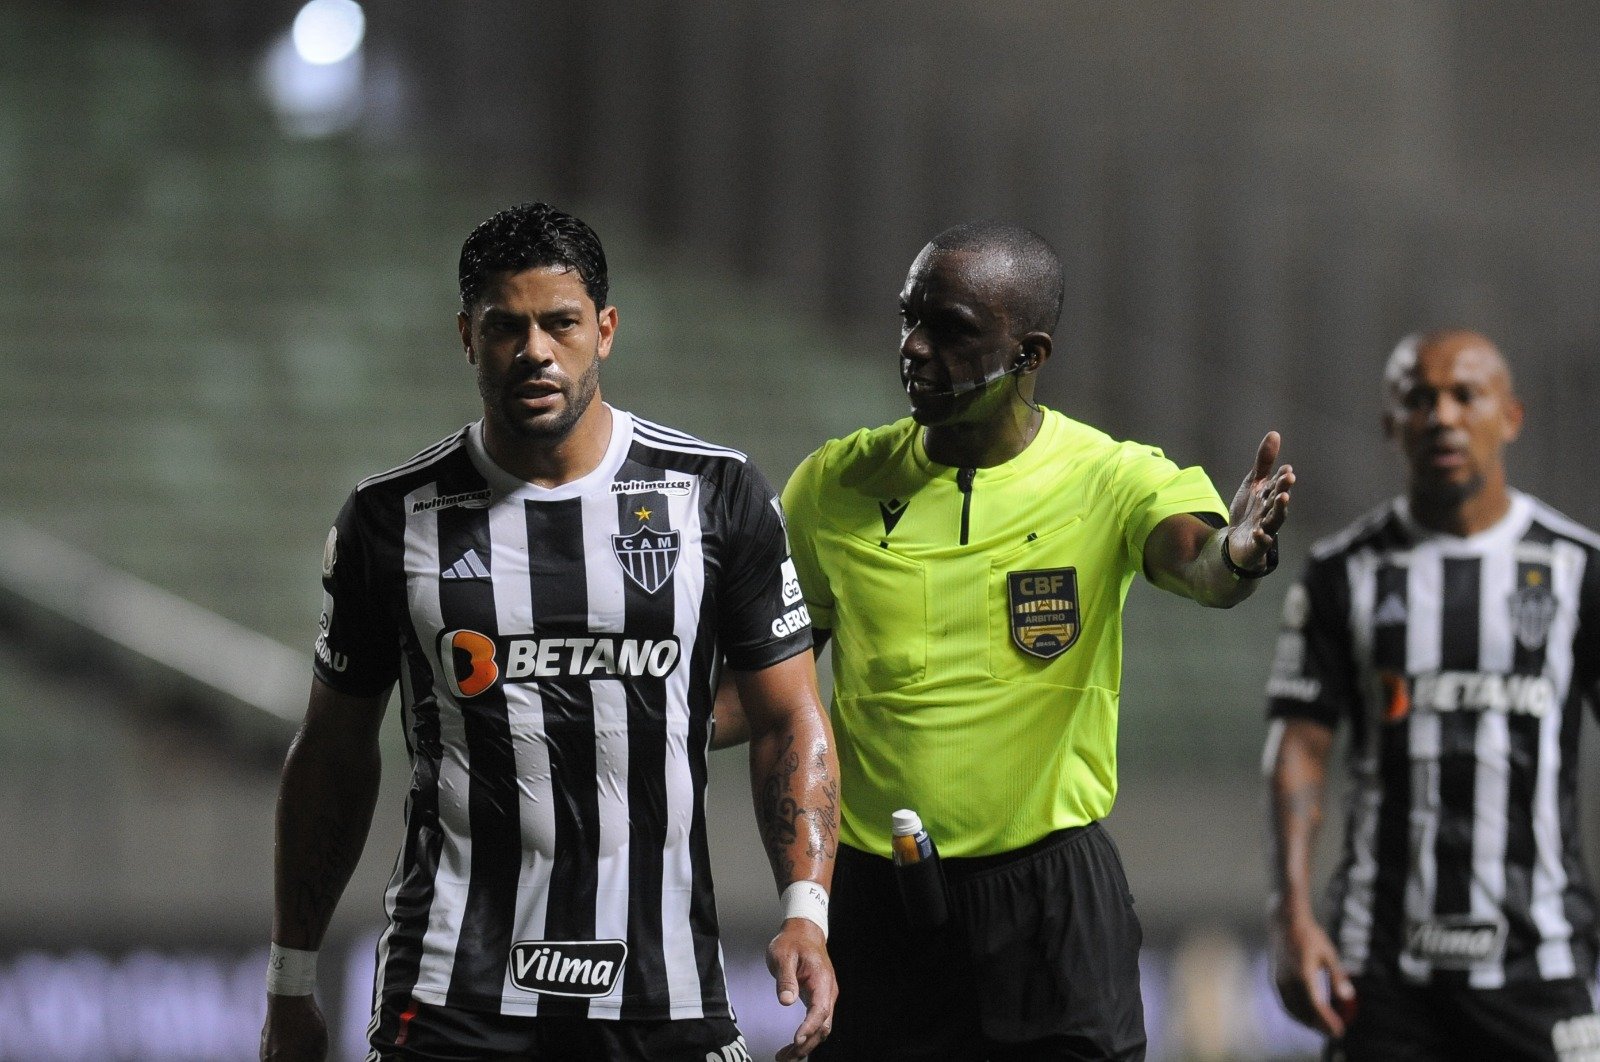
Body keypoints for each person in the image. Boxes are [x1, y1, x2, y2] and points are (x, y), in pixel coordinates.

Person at [259, 202, 840, 1062]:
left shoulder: (716, 494)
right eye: (506, 326)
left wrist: (806, 912)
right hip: (452, 991)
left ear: (604, 330)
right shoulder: (392, 518)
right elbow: (333, 749)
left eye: (560, 323)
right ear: (467, 335)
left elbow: (791, 715)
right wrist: (292, 980)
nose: (535, 349)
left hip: (665, 986)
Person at [718, 220, 1295, 1060]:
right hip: (875, 896)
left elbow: (1200, 564)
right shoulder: (835, 485)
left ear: (1029, 353)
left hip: (1050, 902)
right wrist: (639, 709)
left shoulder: (1110, 477)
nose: (915, 348)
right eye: (909, 319)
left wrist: (1238, 551)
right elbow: (775, 686)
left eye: (950, 329)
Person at [1265, 330, 1600, 1061]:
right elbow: (1300, 745)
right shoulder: (1342, 571)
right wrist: (1290, 915)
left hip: (1541, 958)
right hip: (1380, 965)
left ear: (1509, 416)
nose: (1442, 416)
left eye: (1464, 395)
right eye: (1419, 399)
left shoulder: (1580, 569)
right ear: (1392, 425)